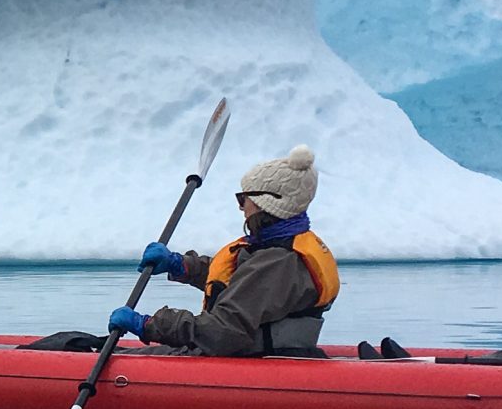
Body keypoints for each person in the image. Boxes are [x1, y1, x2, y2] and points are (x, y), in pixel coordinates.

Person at [108, 145, 340, 357]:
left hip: (249, 359)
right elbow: (243, 279)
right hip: (253, 351)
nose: (241, 207)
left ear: (267, 203)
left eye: (243, 199)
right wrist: (182, 265)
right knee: (86, 344)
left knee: (114, 355)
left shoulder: (278, 261)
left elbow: (223, 331)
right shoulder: (280, 246)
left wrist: (149, 325)